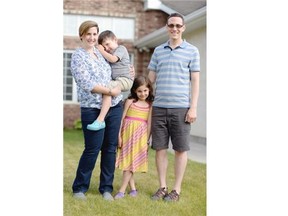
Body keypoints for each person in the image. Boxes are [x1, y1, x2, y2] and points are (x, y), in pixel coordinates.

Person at [70, 20, 131, 201]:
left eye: (94, 34)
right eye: (88, 34)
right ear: (81, 35)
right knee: (92, 149)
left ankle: (106, 188)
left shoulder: (101, 52)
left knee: (110, 149)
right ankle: (80, 188)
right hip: (92, 108)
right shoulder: (78, 56)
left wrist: (129, 74)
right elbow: (85, 82)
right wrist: (109, 91)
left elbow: (117, 67)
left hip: (114, 106)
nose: (92, 37)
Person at [148, 13, 200, 202]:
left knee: (180, 149)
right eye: (171, 25)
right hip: (159, 107)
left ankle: (176, 190)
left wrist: (193, 107)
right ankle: (162, 187)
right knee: (160, 148)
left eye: (178, 25)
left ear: (183, 28)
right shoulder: (158, 51)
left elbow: (195, 81)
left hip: (181, 108)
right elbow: (150, 80)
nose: (175, 29)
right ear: (167, 27)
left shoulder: (192, 51)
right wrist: (137, 83)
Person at [113, 75, 154, 199]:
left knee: (131, 163)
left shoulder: (150, 104)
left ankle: (121, 190)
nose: (142, 94)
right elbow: (122, 118)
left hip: (140, 137)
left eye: (145, 91)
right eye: (139, 91)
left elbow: (149, 123)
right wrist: (118, 136)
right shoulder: (130, 101)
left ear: (149, 90)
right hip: (126, 135)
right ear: (135, 91)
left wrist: (147, 140)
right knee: (128, 163)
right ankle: (133, 190)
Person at [87, 30, 133, 131]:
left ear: (115, 40)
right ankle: (103, 118)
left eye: (108, 44)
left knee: (107, 89)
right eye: (105, 47)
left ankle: (100, 120)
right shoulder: (108, 54)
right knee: (107, 92)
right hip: (118, 80)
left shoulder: (121, 49)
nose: (107, 48)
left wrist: (101, 50)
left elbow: (113, 59)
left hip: (125, 80)